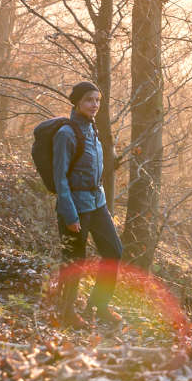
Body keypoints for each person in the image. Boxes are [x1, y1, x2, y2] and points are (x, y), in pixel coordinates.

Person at [53, 81, 122, 329]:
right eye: (89, 100)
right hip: (75, 207)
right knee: (74, 261)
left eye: (98, 100)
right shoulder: (66, 134)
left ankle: (98, 306)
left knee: (114, 251)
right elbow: (59, 178)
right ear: (77, 102)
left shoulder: (93, 130)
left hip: (97, 203)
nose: (94, 105)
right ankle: (66, 312)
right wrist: (70, 215)